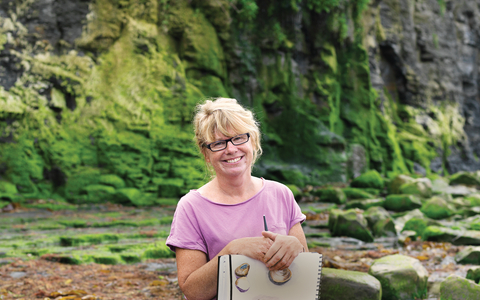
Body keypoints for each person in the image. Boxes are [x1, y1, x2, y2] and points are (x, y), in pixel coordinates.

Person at [166, 98, 308, 300]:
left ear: (253, 141)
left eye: (239, 138)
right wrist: (233, 250)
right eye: (218, 143)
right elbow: (193, 291)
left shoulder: (280, 194)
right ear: (206, 154)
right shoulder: (191, 207)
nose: (231, 149)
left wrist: (296, 246)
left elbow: (305, 275)